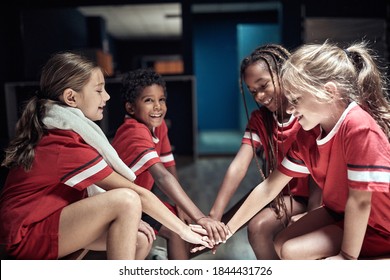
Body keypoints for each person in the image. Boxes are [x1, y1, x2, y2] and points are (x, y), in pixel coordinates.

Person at [0, 52, 212, 260]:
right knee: (127, 198)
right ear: (71, 98)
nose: (107, 97)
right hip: (25, 236)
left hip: (50, 221)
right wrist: (185, 231)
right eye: (99, 90)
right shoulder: (61, 142)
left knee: (141, 238)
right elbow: (136, 193)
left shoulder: (68, 133)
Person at [208, 44, 322, 259]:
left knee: (258, 227)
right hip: (283, 195)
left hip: (316, 196)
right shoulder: (261, 119)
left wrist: (312, 215)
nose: (259, 96)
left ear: (282, 74)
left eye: (264, 85)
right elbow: (239, 166)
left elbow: (320, 177)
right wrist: (214, 215)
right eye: (253, 91)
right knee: (224, 229)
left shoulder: (308, 113)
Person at [111, 68, 228, 259]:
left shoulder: (159, 125)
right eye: (148, 100)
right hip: (122, 206)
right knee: (177, 228)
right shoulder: (133, 132)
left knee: (179, 224)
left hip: (141, 202)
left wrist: (180, 207)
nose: (157, 106)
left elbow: (169, 166)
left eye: (161, 99)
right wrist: (200, 217)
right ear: (131, 108)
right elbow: (161, 176)